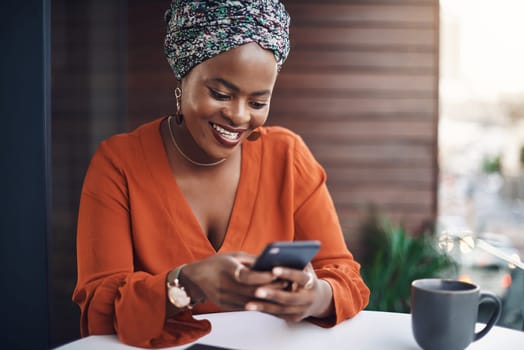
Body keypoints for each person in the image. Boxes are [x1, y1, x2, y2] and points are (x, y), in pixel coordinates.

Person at [72, 0, 370, 348]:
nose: (239, 116)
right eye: (220, 94)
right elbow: (98, 308)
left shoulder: (287, 157)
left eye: (258, 102)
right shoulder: (119, 163)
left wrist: (315, 296)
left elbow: (346, 277)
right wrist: (184, 284)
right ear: (183, 75)